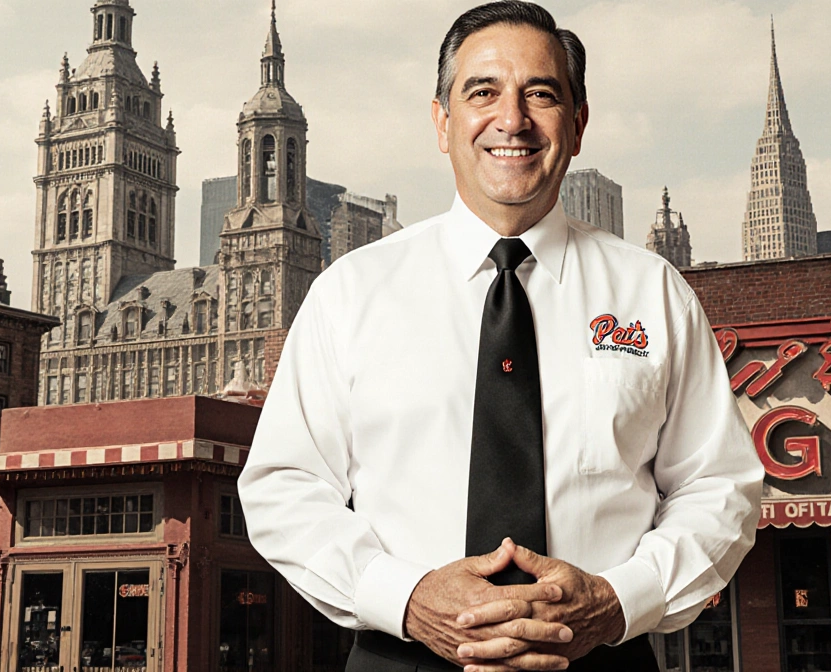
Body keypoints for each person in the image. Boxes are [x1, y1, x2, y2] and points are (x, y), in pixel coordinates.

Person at [238, 2, 764, 671]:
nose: (511, 120)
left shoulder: (652, 292)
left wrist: (618, 599)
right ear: (442, 121)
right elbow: (285, 488)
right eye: (482, 92)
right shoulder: (352, 291)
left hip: (603, 656)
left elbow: (720, 488)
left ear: (577, 126)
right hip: (401, 656)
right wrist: (406, 598)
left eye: (540, 95)